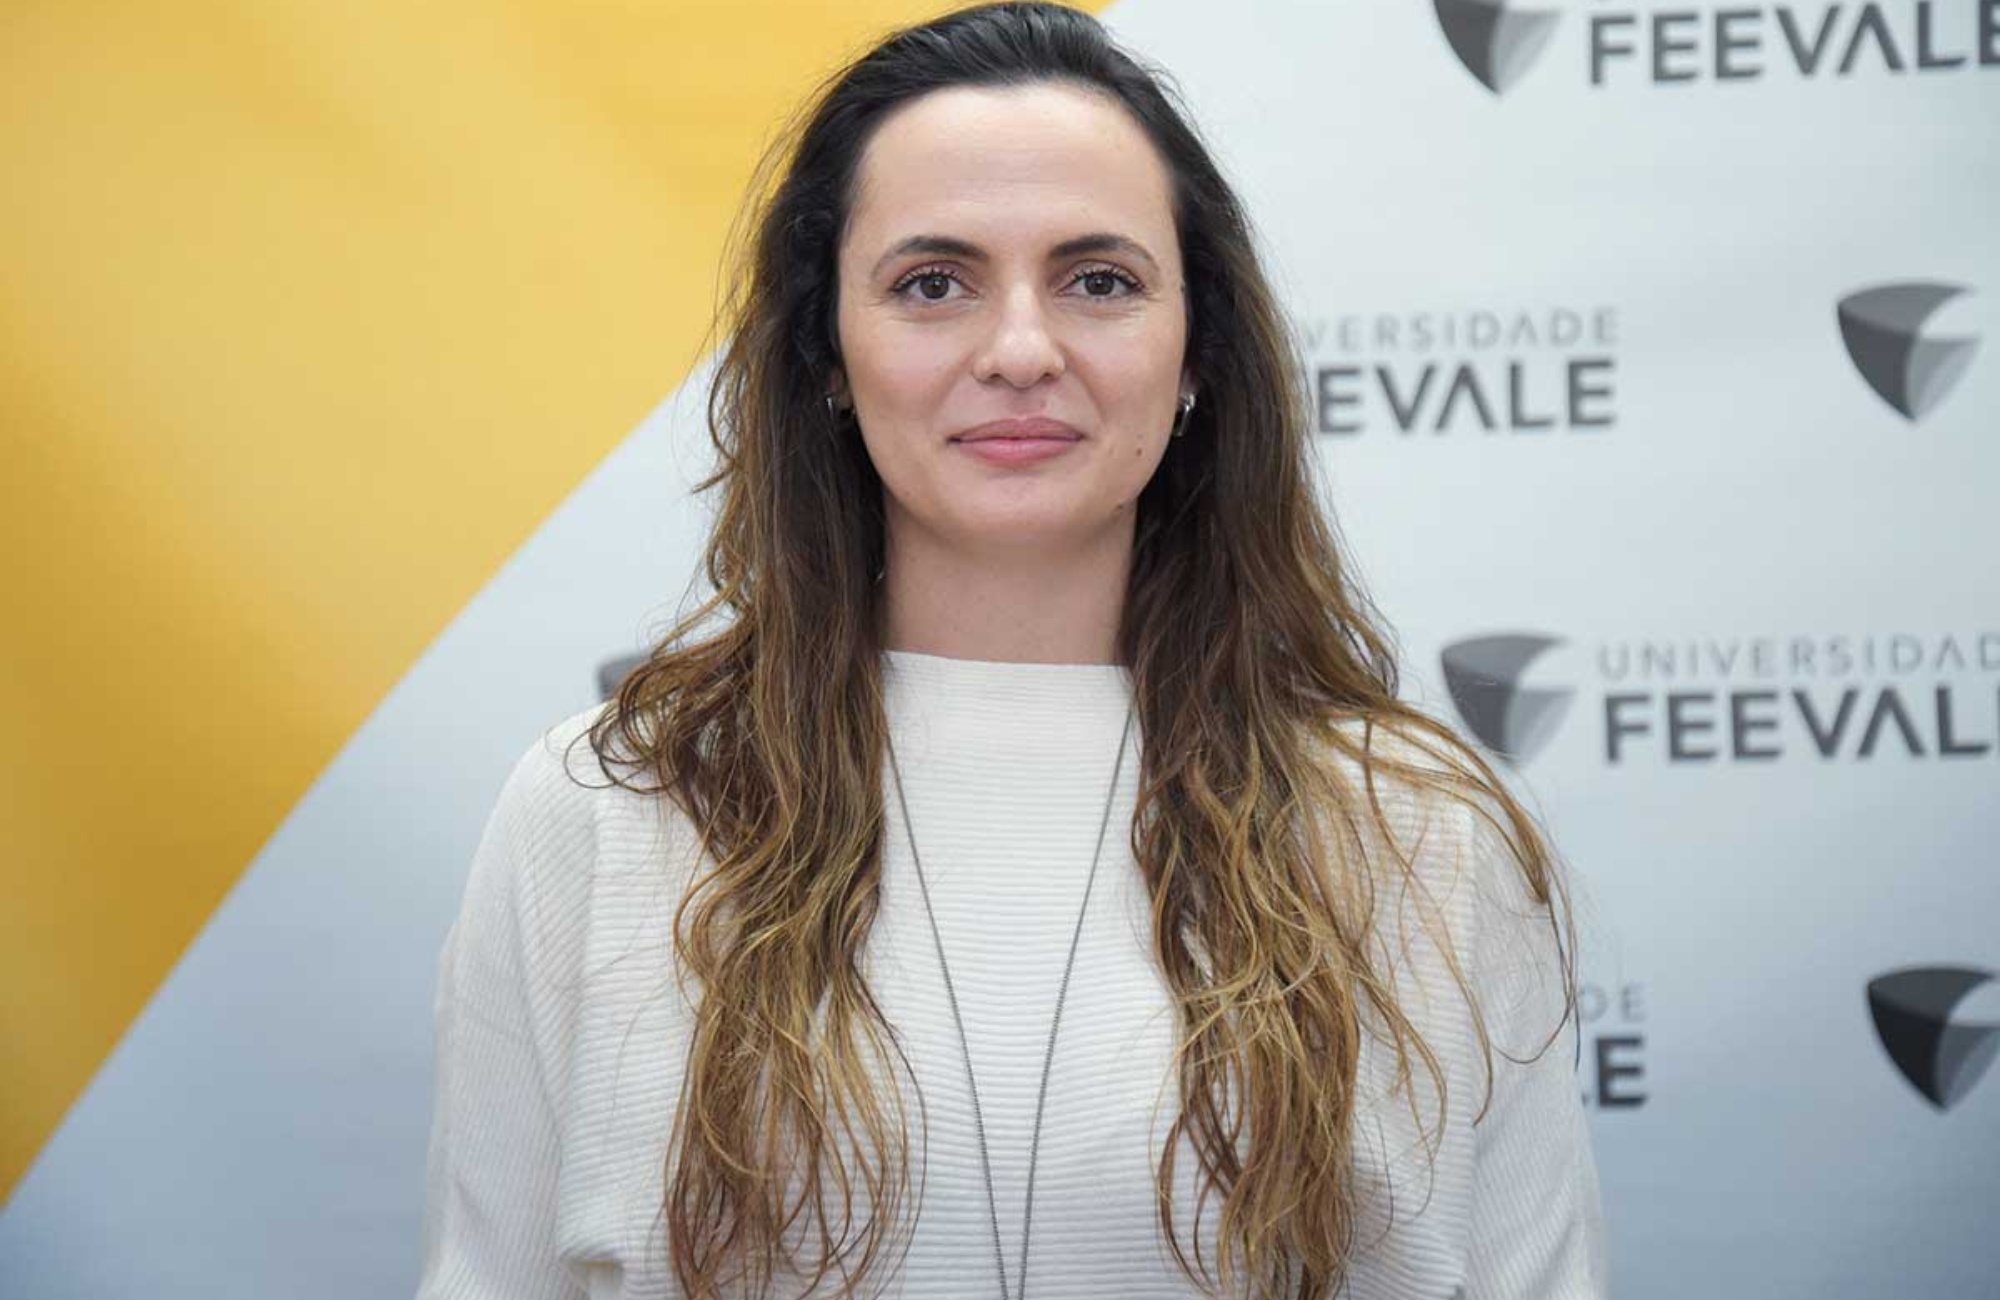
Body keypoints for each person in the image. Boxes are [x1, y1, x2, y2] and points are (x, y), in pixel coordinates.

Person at [414, 4, 1608, 1297]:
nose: (1023, 351)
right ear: (828, 354)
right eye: (934, 284)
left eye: (1099, 281)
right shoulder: (604, 812)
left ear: (1197, 352)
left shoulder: (1421, 836)